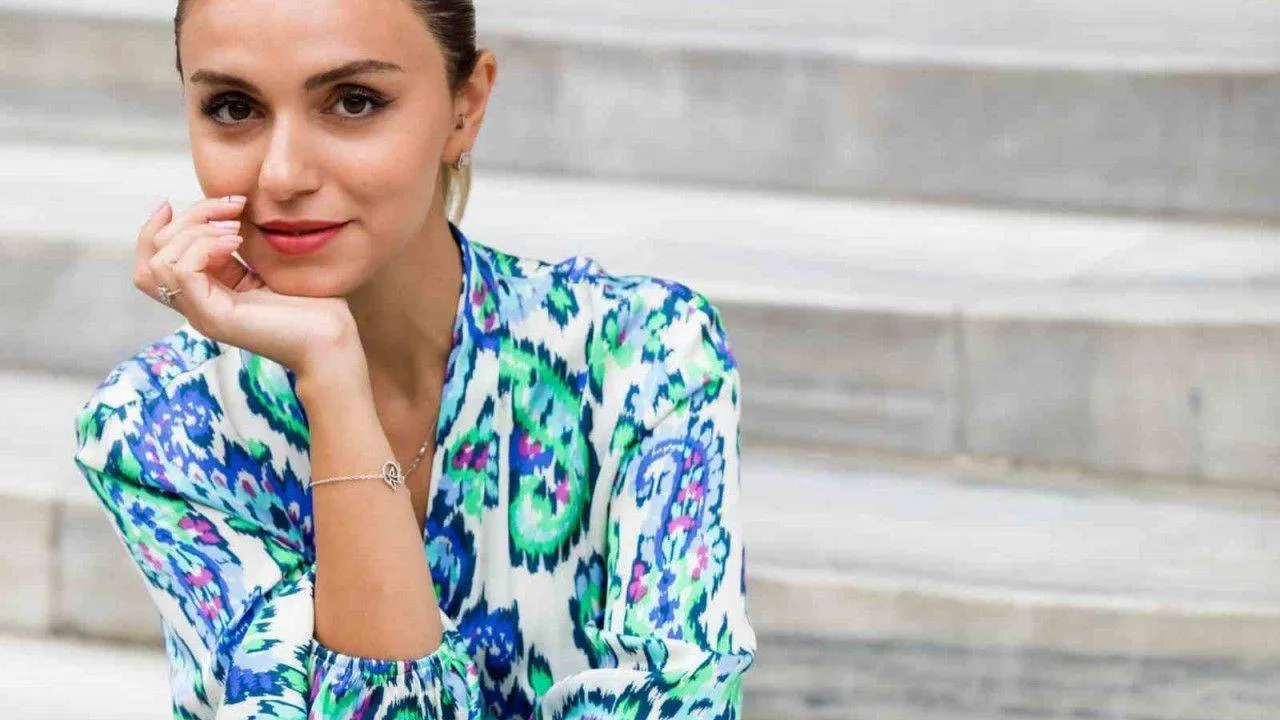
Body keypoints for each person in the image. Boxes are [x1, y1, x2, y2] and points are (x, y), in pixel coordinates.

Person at [70, 1, 755, 718]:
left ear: (466, 106)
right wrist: (332, 375)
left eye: (354, 101)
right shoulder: (158, 429)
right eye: (234, 108)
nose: (283, 174)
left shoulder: (643, 358)